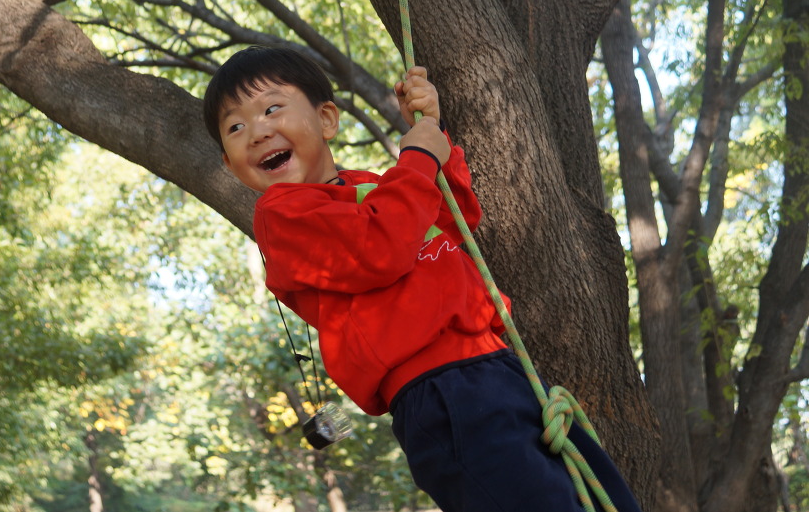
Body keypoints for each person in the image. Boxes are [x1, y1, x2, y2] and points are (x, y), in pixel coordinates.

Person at [202, 45, 642, 512]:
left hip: (498, 369)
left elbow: (455, 220)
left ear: (326, 119)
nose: (257, 132)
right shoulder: (281, 215)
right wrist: (417, 156)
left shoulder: (372, 188)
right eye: (236, 127)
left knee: (607, 501)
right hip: (439, 389)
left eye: (272, 108)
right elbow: (381, 247)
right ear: (230, 165)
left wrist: (431, 133)